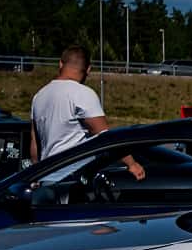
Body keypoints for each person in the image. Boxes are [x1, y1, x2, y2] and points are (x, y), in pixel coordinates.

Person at [30, 45, 144, 178]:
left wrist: (35, 176)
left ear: (60, 64)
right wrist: (132, 164)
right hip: (71, 178)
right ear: (88, 69)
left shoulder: (39, 96)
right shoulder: (82, 93)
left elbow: (34, 144)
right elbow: (105, 137)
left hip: (46, 176)